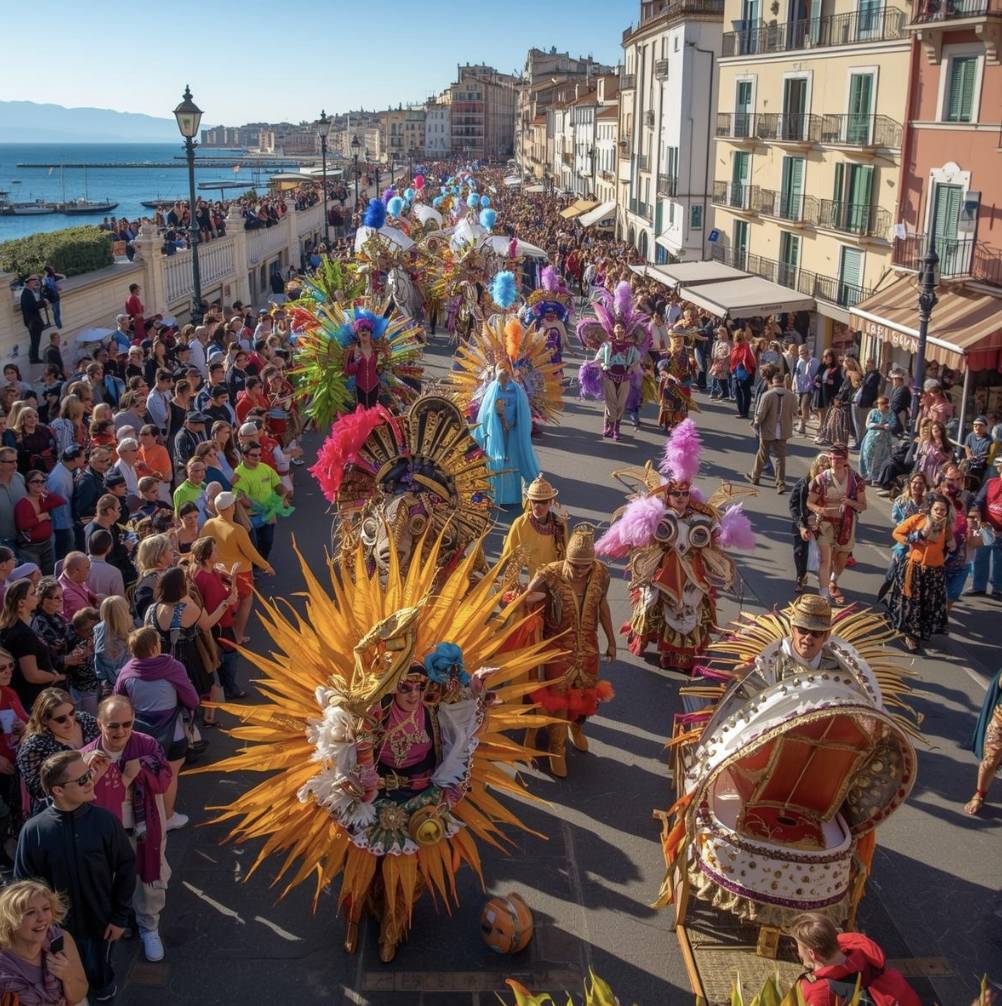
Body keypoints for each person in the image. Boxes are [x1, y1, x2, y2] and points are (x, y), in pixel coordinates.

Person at [14, 749, 136, 1003]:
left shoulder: (105, 822)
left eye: (89, 774)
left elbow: (125, 867)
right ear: (58, 790)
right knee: (62, 988)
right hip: (55, 933)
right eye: (82, 779)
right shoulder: (34, 831)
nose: (91, 780)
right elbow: (23, 888)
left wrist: (119, 916)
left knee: (100, 978)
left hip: (100, 925)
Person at [514, 524, 615, 778]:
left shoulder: (601, 573)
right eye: (575, 565)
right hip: (557, 648)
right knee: (558, 698)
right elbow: (526, 598)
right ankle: (556, 748)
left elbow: (602, 607)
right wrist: (520, 598)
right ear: (566, 559)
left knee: (585, 695)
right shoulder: (549, 574)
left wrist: (612, 641)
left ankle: (577, 729)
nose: (581, 571)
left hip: (588, 647)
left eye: (586, 566)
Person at [82, 695, 174, 964]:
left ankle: (149, 927)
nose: (120, 732)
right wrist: (96, 777)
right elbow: (79, 797)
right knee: (112, 879)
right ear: (99, 723)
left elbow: (163, 781)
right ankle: (123, 920)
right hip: (108, 831)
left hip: (145, 826)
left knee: (148, 878)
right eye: (112, 726)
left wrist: (141, 770)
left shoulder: (147, 744)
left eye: (127, 724)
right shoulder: (87, 756)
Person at [113, 627, 199, 831]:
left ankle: (142, 820)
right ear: (154, 648)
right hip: (173, 734)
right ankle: (167, 817)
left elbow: (118, 702)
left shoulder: (126, 672)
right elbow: (192, 699)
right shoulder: (173, 667)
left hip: (139, 736)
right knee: (170, 775)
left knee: (140, 777)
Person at [790, 911, 920, 1006]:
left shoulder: (820, 992)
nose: (798, 952)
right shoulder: (865, 953)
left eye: (798, 946)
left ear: (812, 954)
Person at [0, 879, 89, 1005]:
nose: (42, 918)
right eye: (30, 912)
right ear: (10, 922)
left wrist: (68, 976)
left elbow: (78, 996)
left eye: (46, 908)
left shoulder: (61, 938)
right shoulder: (3, 967)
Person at [201, 491, 273, 645]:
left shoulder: (208, 524)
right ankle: (238, 635)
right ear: (231, 507)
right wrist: (266, 566)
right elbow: (251, 553)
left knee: (227, 604)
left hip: (217, 571)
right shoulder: (237, 529)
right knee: (246, 601)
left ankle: (228, 634)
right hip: (240, 573)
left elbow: (200, 545)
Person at [886, 492, 953, 652]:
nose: (939, 513)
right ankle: (911, 636)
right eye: (937, 509)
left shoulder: (947, 527)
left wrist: (953, 544)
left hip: (934, 571)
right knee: (912, 603)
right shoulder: (918, 519)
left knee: (927, 603)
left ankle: (921, 632)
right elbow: (897, 533)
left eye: (943, 510)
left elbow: (950, 546)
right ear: (930, 509)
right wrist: (914, 537)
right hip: (914, 568)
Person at [473, 364, 541, 504]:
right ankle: (506, 495)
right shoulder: (509, 390)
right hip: (503, 432)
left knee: (506, 459)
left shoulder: (510, 390)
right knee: (506, 459)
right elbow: (488, 414)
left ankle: (503, 495)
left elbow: (486, 416)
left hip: (507, 432)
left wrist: (506, 423)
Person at [806, 444, 866, 604]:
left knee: (841, 559)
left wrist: (850, 502)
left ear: (846, 460)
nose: (835, 462)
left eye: (839, 459)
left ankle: (833, 580)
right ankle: (824, 594)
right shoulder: (821, 479)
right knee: (826, 559)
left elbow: (862, 506)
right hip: (825, 524)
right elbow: (809, 502)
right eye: (832, 458)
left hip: (846, 524)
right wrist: (819, 509)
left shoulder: (855, 480)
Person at [190, 536, 245, 701]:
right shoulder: (206, 578)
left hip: (223, 622)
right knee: (229, 657)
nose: (218, 552)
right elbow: (219, 604)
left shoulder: (211, 572)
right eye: (215, 549)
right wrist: (228, 602)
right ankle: (230, 688)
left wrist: (232, 578)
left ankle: (226, 686)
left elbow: (229, 596)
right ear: (207, 556)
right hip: (220, 625)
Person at [1, 578, 66, 711]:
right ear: (21, 603)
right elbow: (32, 675)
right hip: (30, 700)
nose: (37, 595)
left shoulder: (15, 628)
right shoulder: (23, 634)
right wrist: (56, 677)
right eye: (32, 593)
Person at [501, 474, 568, 578]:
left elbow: (566, 554)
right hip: (534, 577)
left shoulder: (559, 524)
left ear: (551, 502)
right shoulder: (520, 523)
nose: (538, 506)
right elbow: (508, 556)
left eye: (543, 502)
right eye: (534, 501)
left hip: (555, 576)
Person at [748, 372, 795, 493]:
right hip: (783, 429)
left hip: (768, 429)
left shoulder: (767, 395)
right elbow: (795, 411)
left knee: (762, 453)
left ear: (773, 382)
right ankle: (780, 483)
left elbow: (761, 413)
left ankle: (755, 477)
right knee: (780, 457)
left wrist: (756, 423)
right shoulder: (791, 395)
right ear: (783, 382)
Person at [594, 323, 642, 440]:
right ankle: (610, 426)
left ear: (625, 332)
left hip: (624, 379)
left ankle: (616, 428)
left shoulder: (630, 347)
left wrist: (631, 368)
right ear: (613, 331)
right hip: (609, 377)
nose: (619, 331)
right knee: (611, 404)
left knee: (620, 405)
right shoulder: (607, 345)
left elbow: (638, 359)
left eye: (622, 329)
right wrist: (603, 364)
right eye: (617, 329)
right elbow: (598, 359)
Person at [790, 453, 829, 594]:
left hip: (823, 526)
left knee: (823, 557)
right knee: (800, 553)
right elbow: (794, 505)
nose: (823, 468)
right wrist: (801, 526)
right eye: (821, 465)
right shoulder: (803, 484)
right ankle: (800, 577)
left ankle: (826, 584)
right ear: (815, 466)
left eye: (827, 466)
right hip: (804, 523)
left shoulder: (830, 485)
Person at [14, 469, 65, 574]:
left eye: (42, 481)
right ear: (28, 484)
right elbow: (23, 525)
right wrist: (41, 517)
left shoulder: (43, 499)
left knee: (49, 574)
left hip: (47, 543)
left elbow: (61, 501)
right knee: (34, 576)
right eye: (35, 481)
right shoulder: (23, 503)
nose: (39, 484)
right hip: (30, 548)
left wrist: (47, 492)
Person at [969, 455, 1002, 598]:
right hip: (986, 526)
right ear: (999, 468)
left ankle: (998, 589)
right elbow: (979, 501)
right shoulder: (990, 482)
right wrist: (977, 514)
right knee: (980, 557)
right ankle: (978, 587)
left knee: (1000, 560)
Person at [45, 445, 84, 564]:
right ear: (75, 459)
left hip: (67, 522)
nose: (85, 459)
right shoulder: (58, 478)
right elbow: (59, 507)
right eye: (83, 456)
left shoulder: (66, 470)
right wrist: (68, 526)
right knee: (65, 560)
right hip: (62, 525)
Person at [93, 595, 132, 690]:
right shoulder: (128, 634)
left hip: (106, 683)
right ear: (123, 613)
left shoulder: (97, 629)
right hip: (125, 684)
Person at [859, 394, 895, 483]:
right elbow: (868, 424)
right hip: (872, 438)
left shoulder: (890, 413)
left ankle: (877, 477)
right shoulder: (873, 412)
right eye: (879, 403)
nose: (880, 405)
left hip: (884, 439)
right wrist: (880, 426)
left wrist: (886, 426)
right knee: (867, 455)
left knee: (881, 457)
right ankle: (867, 475)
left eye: (883, 403)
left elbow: (892, 424)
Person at [0, 445, 27, 554]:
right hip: (3, 543)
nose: (15, 465)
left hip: (24, 540)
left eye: (16, 461)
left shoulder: (20, 478)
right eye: (10, 462)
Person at [57, 552, 98, 622]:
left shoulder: (73, 578)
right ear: (76, 571)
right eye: (87, 568)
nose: (89, 570)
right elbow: (88, 618)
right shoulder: (69, 594)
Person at [728, 329, 756, 419]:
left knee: (744, 392)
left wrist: (750, 373)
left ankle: (744, 412)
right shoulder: (736, 348)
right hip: (737, 373)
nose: (737, 341)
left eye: (739, 339)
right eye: (737, 339)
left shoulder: (746, 347)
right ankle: (742, 412)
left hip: (745, 373)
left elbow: (751, 361)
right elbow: (732, 361)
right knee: (738, 392)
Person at [19, 275, 47, 364]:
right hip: (33, 322)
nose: (35, 283)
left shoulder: (29, 292)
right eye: (33, 282)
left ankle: (33, 357)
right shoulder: (26, 293)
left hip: (33, 321)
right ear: (29, 283)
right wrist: (44, 303)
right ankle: (34, 359)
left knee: (35, 340)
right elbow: (33, 306)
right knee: (35, 340)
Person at [792, 345, 818, 435]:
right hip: (799, 389)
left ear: (807, 351)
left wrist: (808, 363)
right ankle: (802, 424)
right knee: (801, 407)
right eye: (800, 351)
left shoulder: (813, 361)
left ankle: (803, 425)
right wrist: (794, 385)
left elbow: (815, 376)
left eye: (803, 351)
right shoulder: (799, 361)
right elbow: (796, 374)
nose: (801, 353)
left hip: (808, 388)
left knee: (804, 407)